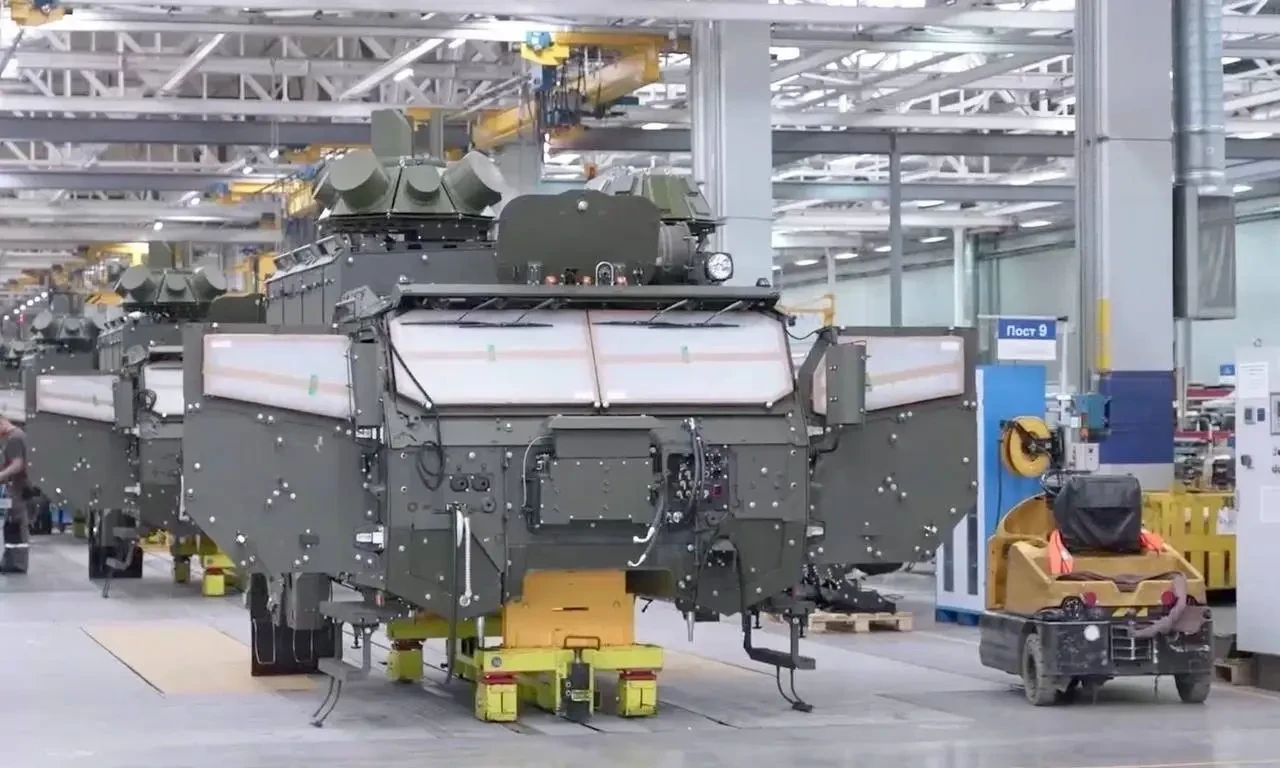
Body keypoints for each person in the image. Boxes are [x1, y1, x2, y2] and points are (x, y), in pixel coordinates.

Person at [0, 416, 30, 574]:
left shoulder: (14, 438)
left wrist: (1, 475)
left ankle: (17, 563)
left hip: (16, 489)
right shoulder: (18, 435)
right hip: (17, 488)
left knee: (16, 523)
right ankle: (12, 560)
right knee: (12, 524)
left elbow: (17, 464)